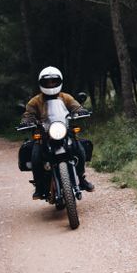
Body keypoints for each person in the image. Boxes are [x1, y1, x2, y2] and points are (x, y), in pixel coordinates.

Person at [21, 66, 94, 199]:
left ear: (59, 81)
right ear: (41, 83)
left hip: (63, 130)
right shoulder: (35, 100)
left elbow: (75, 106)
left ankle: (81, 178)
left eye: (53, 81)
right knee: (36, 156)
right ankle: (39, 186)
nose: (51, 84)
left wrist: (80, 111)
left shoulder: (65, 97)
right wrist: (27, 120)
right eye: (47, 82)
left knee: (80, 150)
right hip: (44, 134)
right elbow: (28, 114)